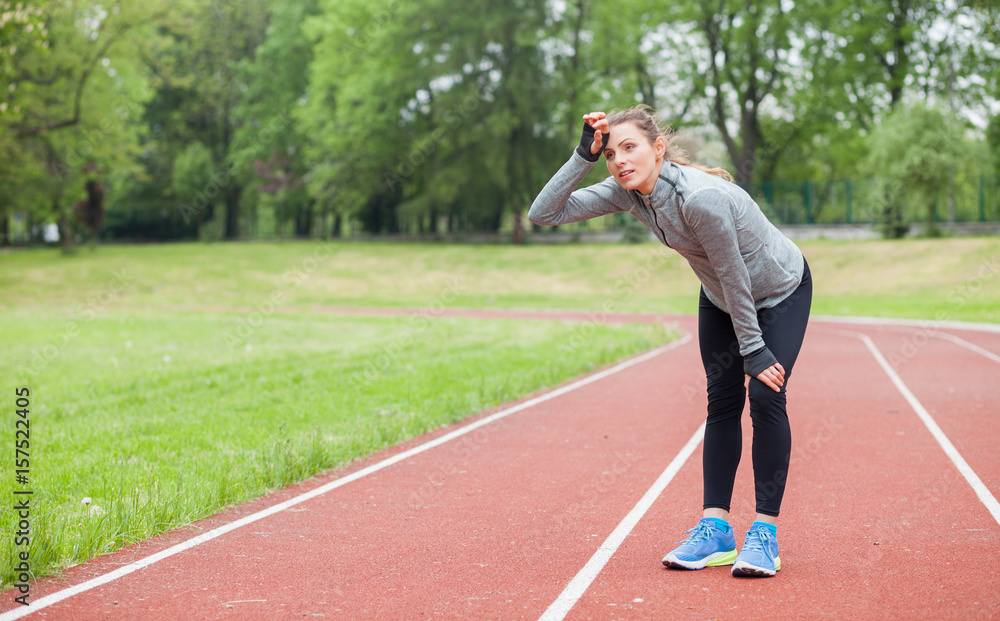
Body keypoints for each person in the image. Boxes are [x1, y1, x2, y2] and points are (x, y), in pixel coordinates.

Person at [527, 105, 812, 578]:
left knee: (764, 393)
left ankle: (765, 535)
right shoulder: (628, 193)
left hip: (778, 289)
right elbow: (543, 213)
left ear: (659, 149)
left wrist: (754, 351)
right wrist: (582, 155)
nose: (619, 160)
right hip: (722, 295)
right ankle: (716, 529)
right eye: (611, 153)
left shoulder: (700, 199)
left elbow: (735, 273)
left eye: (630, 148)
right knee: (721, 402)